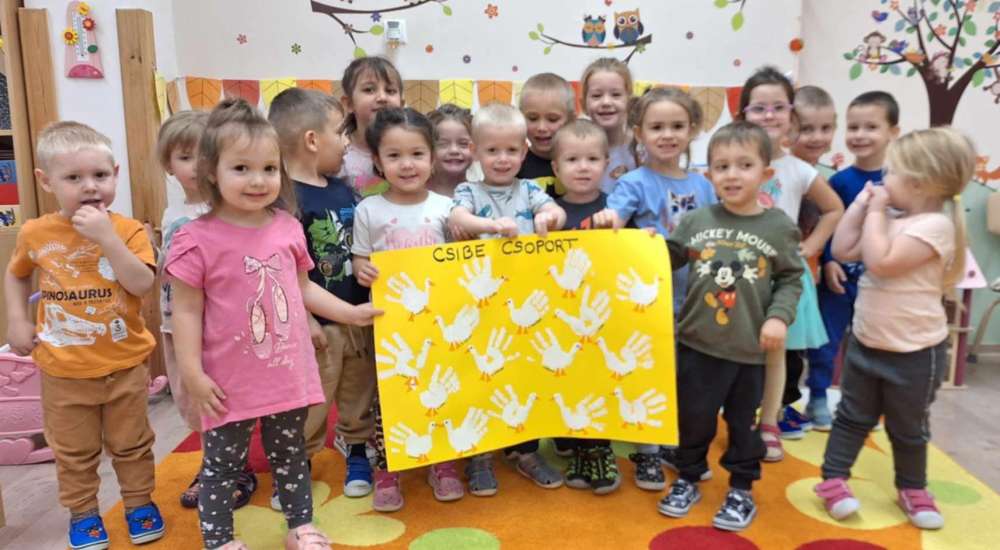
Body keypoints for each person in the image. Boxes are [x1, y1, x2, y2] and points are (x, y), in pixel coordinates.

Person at [164, 98, 381, 550]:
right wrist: (192, 373)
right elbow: (184, 312)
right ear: (211, 171)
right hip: (227, 381)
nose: (258, 180)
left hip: (286, 371)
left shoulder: (286, 226)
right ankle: (219, 540)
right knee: (222, 465)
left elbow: (303, 287)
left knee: (290, 454)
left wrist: (350, 313)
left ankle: (300, 526)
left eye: (268, 168)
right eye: (241, 168)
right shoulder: (194, 239)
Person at [5, 121, 165, 549]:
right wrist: (17, 319)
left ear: (115, 174)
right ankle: (84, 514)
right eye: (74, 177)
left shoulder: (129, 231)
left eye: (100, 175)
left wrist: (108, 239)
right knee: (74, 451)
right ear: (46, 181)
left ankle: (139, 504)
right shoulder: (35, 232)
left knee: (132, 444)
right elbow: (17, 274)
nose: (90, 186)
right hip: (64, 372)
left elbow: (142, 283)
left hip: (124, 365)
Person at [814, 127, 973, 531]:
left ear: (919, 183)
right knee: (851, 417)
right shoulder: (891, 218)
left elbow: (882, 262)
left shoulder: (935, 226)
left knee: (908, 428)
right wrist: (861, 206)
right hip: (867, 343)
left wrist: (875, 213)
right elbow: (843, 250)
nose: (883, 181)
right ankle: (833, 480)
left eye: (891, 173)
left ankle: (913, 488)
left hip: (915, 353)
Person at [659, 121, 803, 532]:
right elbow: (666, 258)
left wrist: (778, 317)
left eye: (744, 165)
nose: (732, 174)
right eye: (722, 167)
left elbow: (791, 279)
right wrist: (639, 244)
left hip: (748, 351)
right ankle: (688, 476)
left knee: (744, 426)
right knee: (694, 419)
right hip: (697, 344)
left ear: (765, 173)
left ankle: (741, 488)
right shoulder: (696, 220)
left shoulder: (778, 227)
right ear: (709, 175)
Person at [449, 103, 567, 494]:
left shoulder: (530, 190)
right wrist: (491, 225)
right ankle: (480, 455)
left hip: (525, 303)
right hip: (482, 306)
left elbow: (555, 211)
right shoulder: (468, 190)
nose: (502, 159)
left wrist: (549, 218)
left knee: (524, 376)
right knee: (482, 376)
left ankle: (525, 450)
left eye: (512, 150)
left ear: (524, 150)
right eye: (492, 150)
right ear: (475, 152)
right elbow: (458, 218)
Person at [351, 107, 465, 511]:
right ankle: (389, 468)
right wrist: (361, 269)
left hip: (439, 323)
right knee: (391, 396)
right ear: (378, 161)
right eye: (394, 155)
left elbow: (461, 261)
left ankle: (443, 462)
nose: (407, 164)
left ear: (432, 158)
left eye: (417, 154)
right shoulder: (369, 210)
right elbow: (359, 258)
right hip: (391, 326)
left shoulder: (447, 207)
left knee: (441, 390)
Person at [267, 88, 376, 508]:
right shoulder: (283, 199)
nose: (347, 141)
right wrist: (307, 319)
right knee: (312, 400)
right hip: (316, 325)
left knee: (358, 391)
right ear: (313, 140)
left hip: (356, 315)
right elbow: (283, 273)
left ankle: (358, 450)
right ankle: (298, 464)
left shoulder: (344, 191)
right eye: (341, 132)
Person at [606, 87, 717, 490]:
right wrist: (619, 227)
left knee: (684, 377)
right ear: (639, 132)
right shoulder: (633, 183)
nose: (667, 134)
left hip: (695, 301)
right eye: (656, 127)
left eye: (676, 126)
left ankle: (672, 443)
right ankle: (647, 451)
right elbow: (612, 228)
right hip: (648, 303)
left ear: (692, 130)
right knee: (647, 375)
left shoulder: (704, 186)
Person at [737, 66, 845, 458]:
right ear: (743, 115)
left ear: (791, 114)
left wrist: (810, 246)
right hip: (739, 272)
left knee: (777, 352)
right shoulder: (734, 160)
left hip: (782, 276)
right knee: (739, 351)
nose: (769, 115)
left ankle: (770, 421)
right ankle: (738, 417)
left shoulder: (799, 169)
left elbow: (834, 209)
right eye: (759, 108)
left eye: (778, 107)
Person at [157, 110, 260, 510]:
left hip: (219, 326)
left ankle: (236, 467)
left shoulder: (227, 213)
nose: (196, 166)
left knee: (224, 398)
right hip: (175, 322)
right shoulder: (172, 214)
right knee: (190, 397)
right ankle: (212, 464)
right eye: (185, 157)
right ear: (169, 164)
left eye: (205, 156)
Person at [807, 91, 900, 431]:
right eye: (853, 127)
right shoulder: (840, 181)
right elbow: (827, 223)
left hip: (881, 282)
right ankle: (818, 396)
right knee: (827, 340)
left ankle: (862, 403)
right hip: (840, 278)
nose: (860, 135)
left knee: (872, 343)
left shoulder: (902, 182)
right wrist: (829, 260)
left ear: (893, 132)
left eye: (871, 127)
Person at [550, 119, 622, 494]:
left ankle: (602, 451)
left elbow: (634, 255)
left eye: (592, 159)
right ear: (556, 167)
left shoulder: (616, 209)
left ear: (606, 163)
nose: (582, 167)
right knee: (571, 385)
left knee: (600, 383)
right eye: (572, 159)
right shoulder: (549, 213)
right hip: (564, 320)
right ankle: (579, 451)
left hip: (603, 319)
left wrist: (629, 232)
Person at [338, 56, 404, 199]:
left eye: (390, 91)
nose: (382, 97)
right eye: (369, 90)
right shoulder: (339, 153)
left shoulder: (411, 148)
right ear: (349, 104)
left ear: (402, 104)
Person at [580, 57, 636, 195]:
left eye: (616, 95)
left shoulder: (640, 148)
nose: (606, 102)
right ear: (583, 104)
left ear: (629, 101)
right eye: (596, 95)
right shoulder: (574, 148)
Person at [516, 72, 577, 197]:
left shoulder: (581, 160)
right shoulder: (514, 163)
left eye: (552, 119)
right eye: (532, 118)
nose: (541, 128)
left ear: (571, 120)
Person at [427, 103, 474, 198]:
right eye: (443, 144)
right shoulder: (414, 192)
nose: (454, 150)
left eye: (463, 144)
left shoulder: (481, 195)